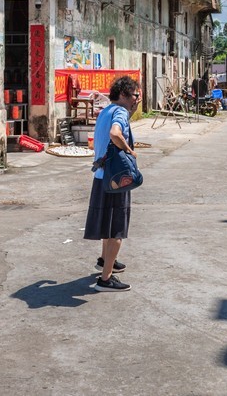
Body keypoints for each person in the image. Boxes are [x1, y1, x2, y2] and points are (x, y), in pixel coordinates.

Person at [84, 75, 141, 292]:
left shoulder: (105, 111)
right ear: (124, 94)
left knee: (107, 224)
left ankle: (104, 260)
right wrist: (129, 150)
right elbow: (115, 133)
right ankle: (105, 279)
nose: (137, 100)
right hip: (116, 178)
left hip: (101, 177)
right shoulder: (119, 112)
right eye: (135, 95)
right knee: (117, 229)